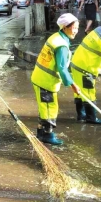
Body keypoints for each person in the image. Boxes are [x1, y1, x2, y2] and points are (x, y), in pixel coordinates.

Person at [31, 13, 81, 145]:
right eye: (74, 28)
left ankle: (41, 132)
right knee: (49, 108)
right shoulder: (61, 45)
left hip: (39, 77)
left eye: (77, 27)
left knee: (44, 107)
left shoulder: (56, 37)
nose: (76, 31)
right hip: (45, 81)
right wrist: (72, 84)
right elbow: (62, 68)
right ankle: (47, 135)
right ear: (65, 27)